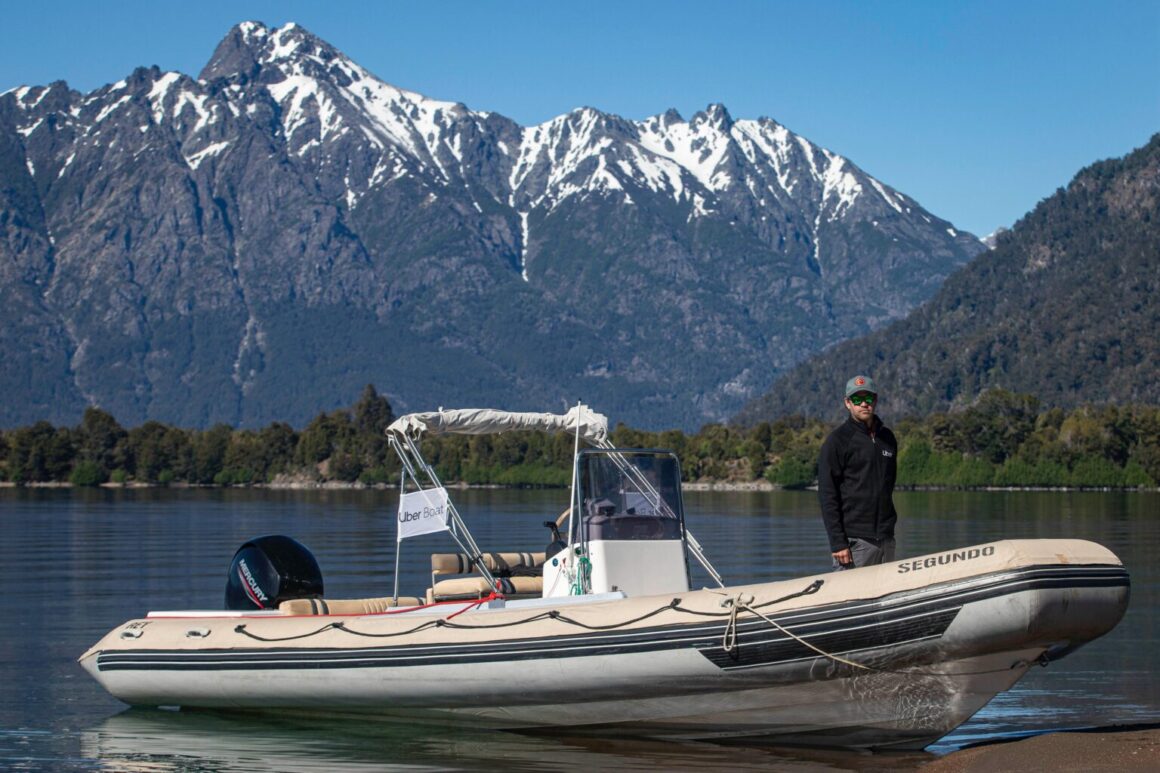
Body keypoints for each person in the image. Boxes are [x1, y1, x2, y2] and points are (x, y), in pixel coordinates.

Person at [817, 375, 898, 570]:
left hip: (886, 539)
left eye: (868, 398)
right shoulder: (837, 441)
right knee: (848, 590)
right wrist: (838, 542)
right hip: (855, 543)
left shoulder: (887, 438)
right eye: (857, 399)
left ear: (875, 401)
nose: (863, 404)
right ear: (847, 403)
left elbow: (888, 484)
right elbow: (827, 494)